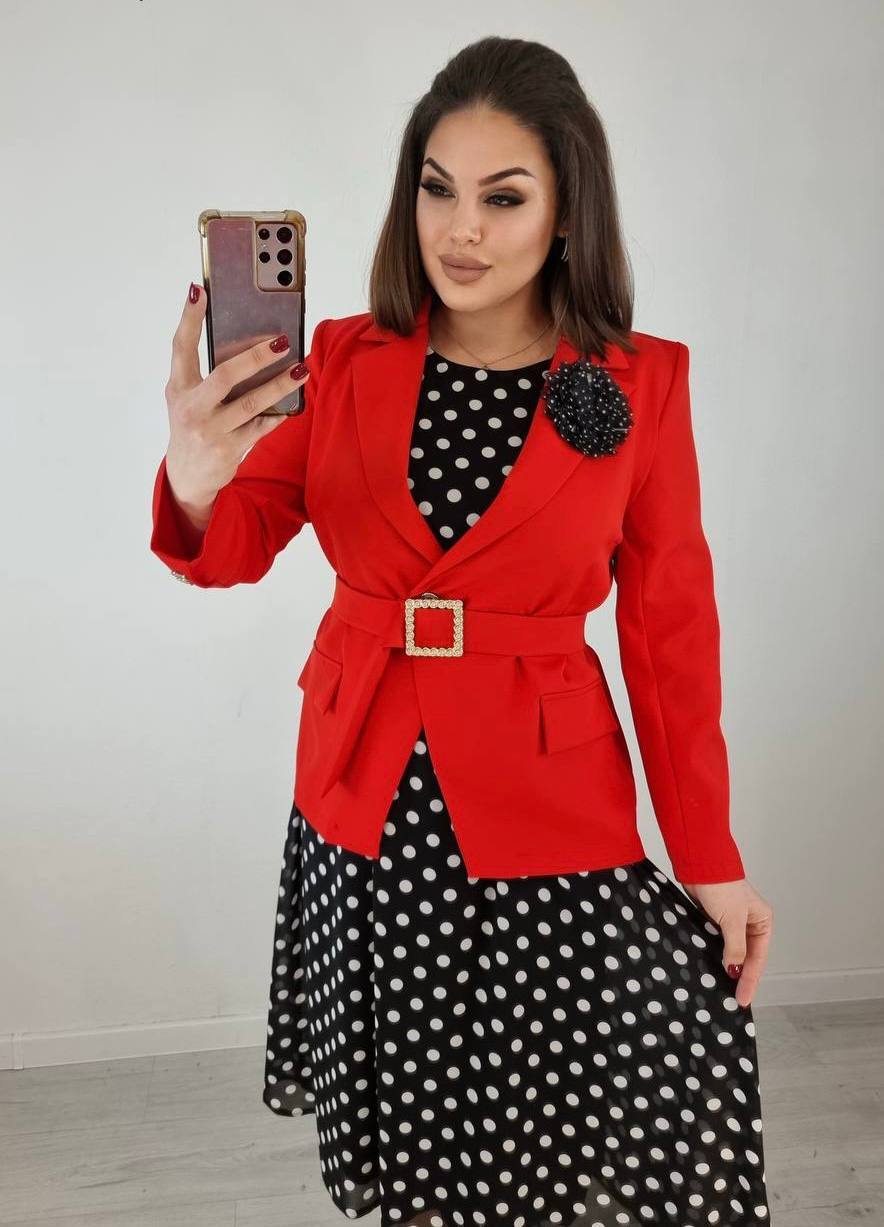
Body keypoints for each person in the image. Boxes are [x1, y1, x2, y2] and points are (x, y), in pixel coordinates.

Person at [151, 34, 774, 1227]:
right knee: (419, 1146)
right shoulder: (337, 361)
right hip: (366, 800)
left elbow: (668, 635)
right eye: (437, 189)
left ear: (565, 210)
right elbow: (231, 546)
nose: (460, 229)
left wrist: (706, 854)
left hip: (550, 809)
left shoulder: (639, 384)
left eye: (503, 197)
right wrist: (192, 476)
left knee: (573, 1124)